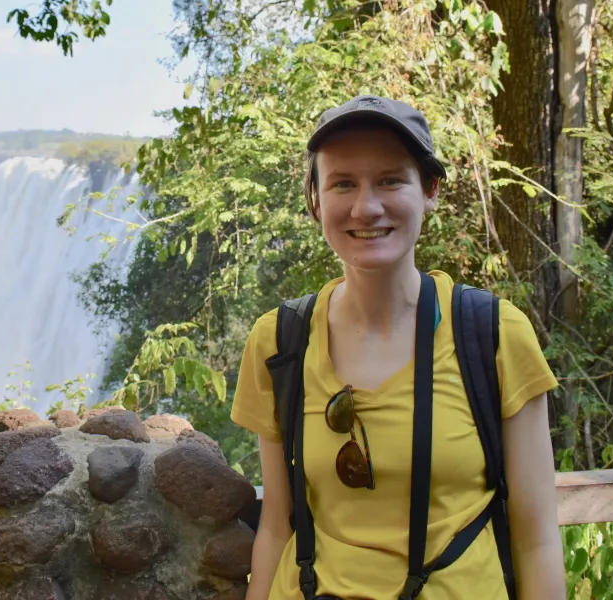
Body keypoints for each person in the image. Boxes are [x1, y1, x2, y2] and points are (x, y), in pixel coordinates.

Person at [230, 95, 566, 600]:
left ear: (429, 189)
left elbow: (536, 537)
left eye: (390, 180)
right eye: (343, 182)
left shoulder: (493, 335)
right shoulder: (280, 341)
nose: (366, 207)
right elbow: (278, 524)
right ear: (316, 200)